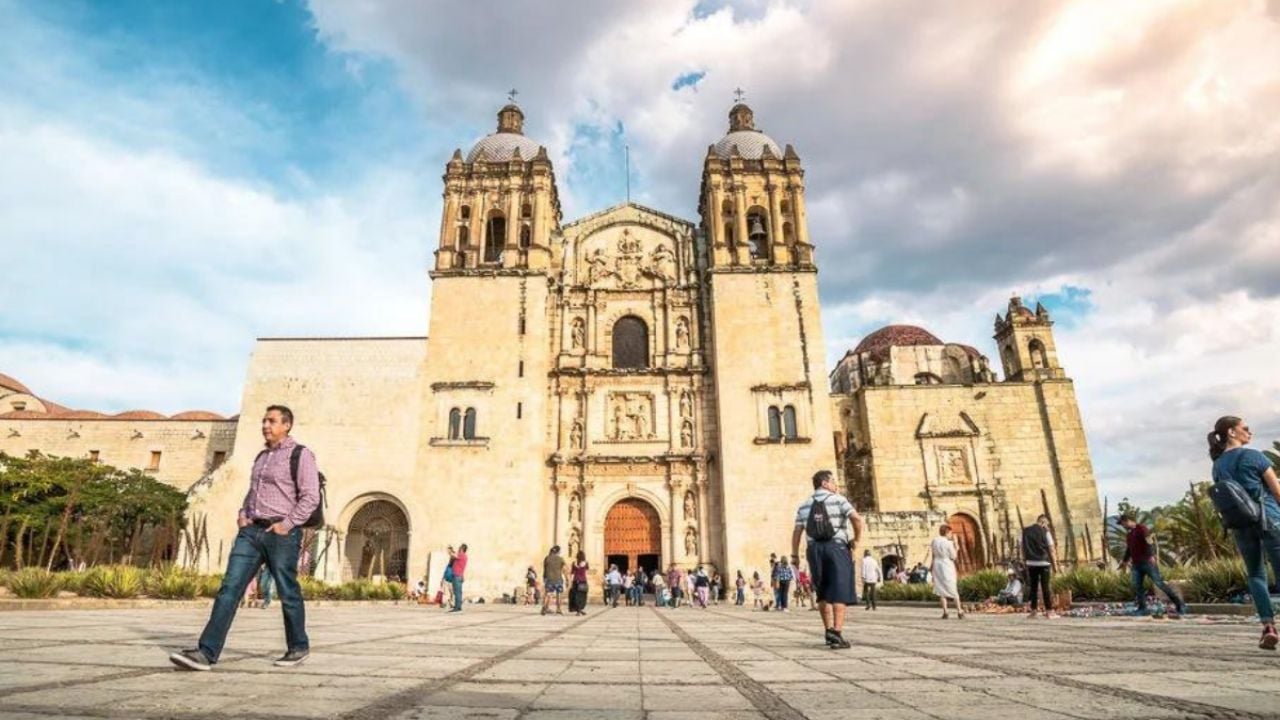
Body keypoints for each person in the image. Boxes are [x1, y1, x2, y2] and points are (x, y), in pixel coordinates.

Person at [170, 405, 319, 671]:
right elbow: (253, 492)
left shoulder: (301, 455)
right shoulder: (262, 457)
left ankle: (298, 647)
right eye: (264, 420)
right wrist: (243, 514)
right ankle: (206, 652)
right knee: (229, 588)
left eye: (271, 421)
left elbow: (310, 497)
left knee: (288, 591)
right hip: (251, 532)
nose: (265, 425)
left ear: (287, 425)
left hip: (281, 534)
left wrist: (287, 525)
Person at [1209, 416, 1280, 649]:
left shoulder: (1217, 465)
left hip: (1240, 524)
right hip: (1268, 519)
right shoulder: (1255, 456)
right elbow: (1277, 491)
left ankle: (1268, 626)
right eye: (1245, 429)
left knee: (1256, 575)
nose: (1250, 433)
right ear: (1231, 432)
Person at [793, 469, 864, 649]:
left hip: (814, 550)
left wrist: (794, 555)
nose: (836, 485)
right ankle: (837, 632)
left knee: (822, 591)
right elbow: (856, 518)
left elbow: (797, 532)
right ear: (824, 483)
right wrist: (856, 539)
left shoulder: (804, 505)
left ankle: (828, 631)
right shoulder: (838, 499)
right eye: (833, 481)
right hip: (836, 547)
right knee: (840, 589)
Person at [1119, 512, 1187, 617]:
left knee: (1159, 583)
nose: (1123, 526)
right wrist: (1124, 561)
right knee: (1137, 586)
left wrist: (1151, 555)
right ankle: (1142, 608)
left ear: (1127, 521)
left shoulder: (1142, 529)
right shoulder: (1129, 534)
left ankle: (1180, 605)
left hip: (1147, 562)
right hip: (1136, 565)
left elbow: (1149, 542)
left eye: (1122, 524)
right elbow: (1129, 549)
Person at [1022, 515, 1058, 619]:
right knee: (1045, 586)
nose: (1047, 526)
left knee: (1033, 587)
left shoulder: (1025, 531)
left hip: (1031, 562)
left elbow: (1022, 547)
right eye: (1046, 524)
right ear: (1043, 522)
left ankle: (1033, 612)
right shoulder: (1045, 531)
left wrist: (1025, 560)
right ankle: (1049, 611)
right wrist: (1055, 564)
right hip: (1043, 562)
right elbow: (1051, 549)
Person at [926, 524, 963, 619]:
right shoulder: (948, 543)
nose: (951, 535)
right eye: (950, 533)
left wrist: (931, 565)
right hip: (946, 564)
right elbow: (953, 556)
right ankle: (959, 610)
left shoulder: (934, 541)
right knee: (952, 586)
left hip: (937, 564)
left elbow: (933, 554)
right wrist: (957, 545)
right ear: (947, 532)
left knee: (940, 588)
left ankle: (945, 611)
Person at [541, 545, 567, 616]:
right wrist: (567, 578)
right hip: (558, 579)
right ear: (558, 551)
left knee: (548, 593)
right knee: (559, 594)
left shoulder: (547, 558)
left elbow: (545, 569)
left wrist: (544, 577)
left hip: (549, 579)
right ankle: (558, 609)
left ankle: (544, 607)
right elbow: (564, 569)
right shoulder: (561, 559)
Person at [447, 543, 469, 612]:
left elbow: (453, 555)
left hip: (457, 576)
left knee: (457, 592)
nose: (458, 549)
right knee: (459, 592)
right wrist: (452, 550)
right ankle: (458, 606)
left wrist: (450, 550)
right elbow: (455, 556)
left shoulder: (461, 555)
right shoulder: (464, 556)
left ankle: (457, 607)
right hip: (459, 575)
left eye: (459, 548)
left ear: (462, 549)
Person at [568, 551, 590, 615]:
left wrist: (570, 582)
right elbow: (587, 571)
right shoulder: (586, 563)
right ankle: (580, 609)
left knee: (576, 596)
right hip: (583, 581)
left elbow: (572, 573)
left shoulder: (574, 563)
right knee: (582, 596)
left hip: (575, 580)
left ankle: (578, 610)